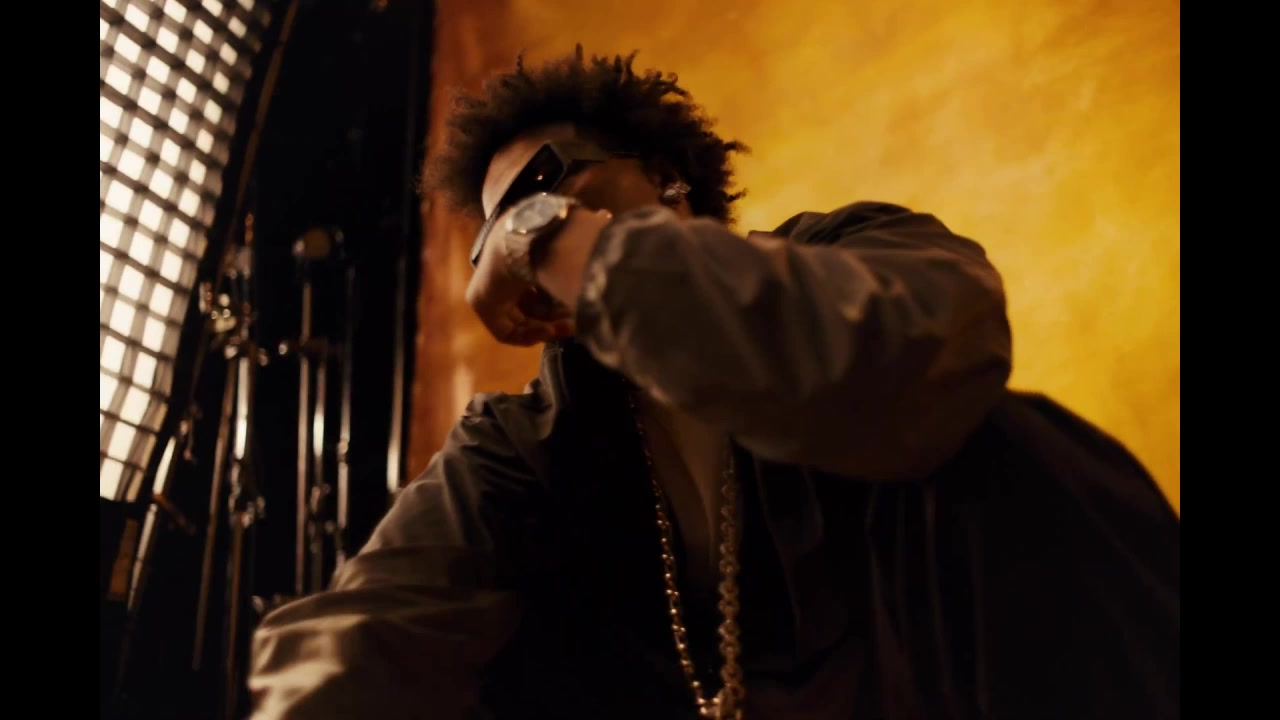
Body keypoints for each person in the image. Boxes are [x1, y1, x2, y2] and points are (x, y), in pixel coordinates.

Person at [247, 47, 1180, 720]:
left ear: (666, 179)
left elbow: (922, 359)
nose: (514, 244)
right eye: (497, 231)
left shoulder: (853, 248)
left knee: (1015, 447)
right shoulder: (525, 441)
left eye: (545, 184)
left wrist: (564, 241)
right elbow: (372, 624)